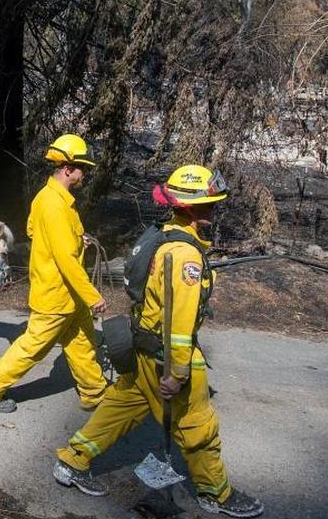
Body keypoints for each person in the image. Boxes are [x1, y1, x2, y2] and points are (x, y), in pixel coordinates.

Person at [51, 165, 264, 518]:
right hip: (166, 354)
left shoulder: (164, 235)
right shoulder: (186, 257)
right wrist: (178, 372)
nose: (214, 209)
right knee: (197, 424)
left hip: (143, 347)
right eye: (210, 204)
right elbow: (179, 323)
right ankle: (216, 492)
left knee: (121, 406)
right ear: (192, 209)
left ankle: (73, 460)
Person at [0, 134, 109, 413]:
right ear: (68, 169)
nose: (85, 174)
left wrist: (74, 238)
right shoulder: (55, 205)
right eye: (83, 168)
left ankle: (95, 393)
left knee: (82, 342)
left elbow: (35, 230)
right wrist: (93, 296)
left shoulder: (48, 197)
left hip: (68, 296)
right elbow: (66, 260)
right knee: (32, 347)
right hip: (56, 295)